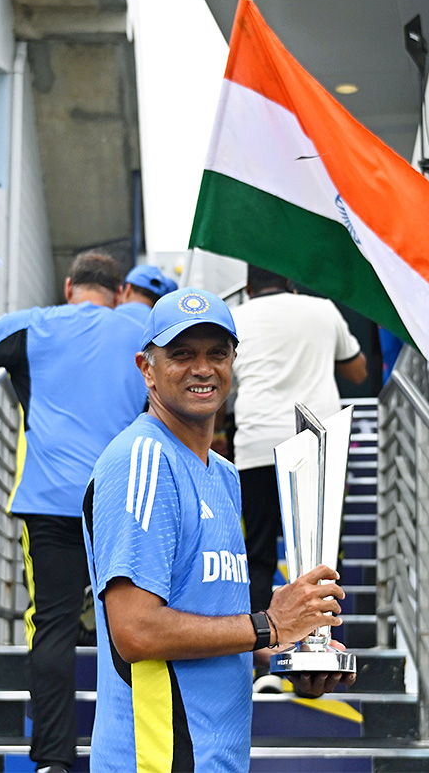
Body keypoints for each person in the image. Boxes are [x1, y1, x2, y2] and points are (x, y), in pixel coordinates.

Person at [83, 288, 354, 772]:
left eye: (217, 353)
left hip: (216, 754)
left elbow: (211, 621)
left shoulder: (224, 475)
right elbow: (136, 630)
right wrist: (268, 625)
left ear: (234, 362)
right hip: (157, 758)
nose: (202, 368)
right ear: (147, 368)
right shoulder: (141, 459)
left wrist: (286, 654)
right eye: (181, 355)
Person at [0, 249, 147, 773]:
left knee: (51, 626)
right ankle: (132, 752)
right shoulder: (142, 331)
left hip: (51, 501)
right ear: (119, 294)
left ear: (69, 286)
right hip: (124, 497)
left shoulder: (37, 325)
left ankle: (53, 760)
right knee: (136, 626)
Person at [227, 266, 367, 622]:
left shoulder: (233, 320)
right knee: (321, 556)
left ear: (247, 287)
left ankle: (259, 647)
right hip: (316, 448)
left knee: (258, 556)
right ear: (290, 281)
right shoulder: (322, 309)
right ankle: (320, 645)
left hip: (256, 446)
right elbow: (358, 372)